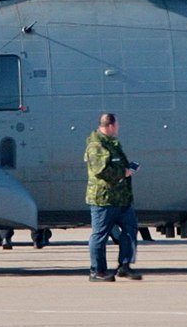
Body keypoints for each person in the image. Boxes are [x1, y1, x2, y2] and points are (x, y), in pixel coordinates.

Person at [84, 113, 141, 281]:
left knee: (130, 230)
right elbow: (100, 171)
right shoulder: (96, 146)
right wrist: (124, 172)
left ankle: (125, 266)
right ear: (110, 126)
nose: (118, 127)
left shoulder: (112, 143)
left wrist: (127, 169)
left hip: (121, 199)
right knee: (100, 235)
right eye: (117, 124)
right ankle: (97, 271)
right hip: (104, 200)